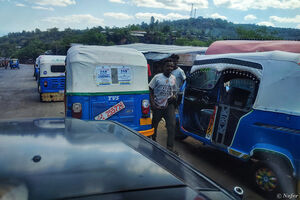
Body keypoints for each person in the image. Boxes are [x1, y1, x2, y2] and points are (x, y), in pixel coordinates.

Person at [149, 59, 178, 154]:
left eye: (171, 66)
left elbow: (174, 91)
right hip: (157, 105)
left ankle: (170, 148)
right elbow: (150, 89)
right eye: (168, 66)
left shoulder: (173, 78)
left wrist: (174, 96)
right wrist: (152, 103)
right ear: (163, 67)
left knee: (172, 125)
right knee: (154, 123)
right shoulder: (157, 77)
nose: (170, 68)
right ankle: (153, 140)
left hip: (169, 105)